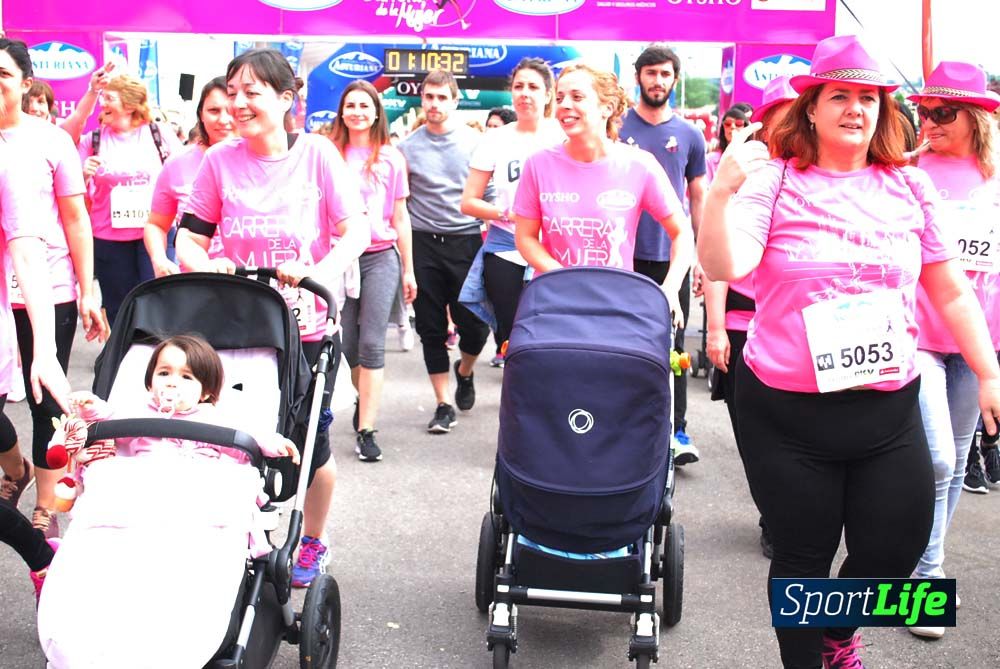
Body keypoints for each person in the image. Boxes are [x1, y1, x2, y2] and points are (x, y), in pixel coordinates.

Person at [698, 35, 1000, 668]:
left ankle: (837, 632)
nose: (856, 108)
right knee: (803, 557)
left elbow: (950, 294)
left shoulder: (910, 188)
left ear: (884, 111)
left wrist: (988, 371)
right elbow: (731, 262)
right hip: (786, 410)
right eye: (840, 96)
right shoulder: (774, 181)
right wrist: (720, 195)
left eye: (868, 97)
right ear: (812, 107)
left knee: (898, 551)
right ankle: (814, 659)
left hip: (887, 405)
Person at [175, 48, 369, 588]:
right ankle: (236, 529)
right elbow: (189, 236)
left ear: (286, 99)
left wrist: (317, 270)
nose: (237, 103)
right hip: (236, 326)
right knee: (232, 434)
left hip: (305, 326)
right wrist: (209, 266)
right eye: (231, 92)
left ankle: (312, 539)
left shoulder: (319, 156)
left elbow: (355, 230)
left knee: (310, 441)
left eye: (251, 92)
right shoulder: (218, 161)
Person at [904, 61, 1000, 639]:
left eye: (944, 113)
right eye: (925, 112)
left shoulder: (996, 179)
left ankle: (922, 569)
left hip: (982, 340)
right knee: (937, 458)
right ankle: (930, 573)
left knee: (958, 458)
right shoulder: (909, 172)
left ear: (979, 118)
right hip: (916, 335)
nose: (931, 122)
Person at [0, 39, 105, 540]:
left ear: (25, 82)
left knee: (44, 401)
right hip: (3, 300)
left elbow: (75, 219)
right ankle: (15, 467)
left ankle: (45, 504)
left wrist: (88, 288)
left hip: (50, 285)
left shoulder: (51, 140)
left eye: (2, 73)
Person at [703, 75, 798, 561]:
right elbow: (716, 257)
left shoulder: (825, 172)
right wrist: (715, 328)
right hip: (743, 326)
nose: (791, 122)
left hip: (804, 336)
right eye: (780, 112)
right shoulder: (742, 171)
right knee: (758, 440)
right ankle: (776, 516)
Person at [513, 63, 693, 315]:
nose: (564, 105)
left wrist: (671, 287)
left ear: (606, 108)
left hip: (616, 306)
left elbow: (682, 232)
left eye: (577, 97)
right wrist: (561, 275)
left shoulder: (639, 164)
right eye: (560, 97)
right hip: (555, 303)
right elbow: (525, 237)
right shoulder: (538, 164)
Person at [619, 44, 707, 465]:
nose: (657, 81)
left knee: (674, 348)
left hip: (672, 257)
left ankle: (678, 432)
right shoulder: (615, 128)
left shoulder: (691, 134)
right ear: (638, 77)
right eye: (650, 73)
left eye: (665, 74)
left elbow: (698, 198)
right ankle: (623, 427)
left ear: (675, 80)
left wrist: (701, 257)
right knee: (621, 345)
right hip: (622, 257)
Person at [398, 69, 491, 434]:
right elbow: (400, 203)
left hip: (466, 240)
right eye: (429, 97)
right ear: (422, 100)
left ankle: (465, 370)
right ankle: (442, 403)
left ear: (455, 101)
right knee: (431, 328)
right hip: (424, 243)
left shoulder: (475, 143)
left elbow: (491, 193)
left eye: (442, 97)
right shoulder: (407, 147)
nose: (434, 104)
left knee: (476, 325)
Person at [328, 80, 416, 462]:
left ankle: (367, 428)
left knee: (371, 343)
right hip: (339, 257)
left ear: (377, 111)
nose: (358, 112)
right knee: (346, 346)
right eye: (351, 105)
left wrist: (408, 270)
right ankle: (364, 398)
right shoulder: (327, 154)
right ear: (342, 112)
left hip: (381, 255)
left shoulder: (391, 157)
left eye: (365, 105)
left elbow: (400, 215)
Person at [460, 58, 563, 371]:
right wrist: (505, 212)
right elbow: (469, 202)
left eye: (534, 87)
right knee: (513, 335)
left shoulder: (563, 137)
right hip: (506, 245)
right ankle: (518, 404)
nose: (525, 94)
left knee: (551, 334)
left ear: (548, 94)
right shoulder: (496, 139)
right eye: (519, 87)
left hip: (555, 247)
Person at [68, 335, 299, 464]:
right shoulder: (140, 412)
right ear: (150, 382)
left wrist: (273, 444)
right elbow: (111, 421)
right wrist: (91, 407)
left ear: (205, 392)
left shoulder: (215, 419)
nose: (172, 382)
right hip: (142, 488)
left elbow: (245, 444)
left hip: (196, 493)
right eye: (164, 373)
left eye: (186, 377)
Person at [79, 73, 182, 327]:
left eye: (109, 97)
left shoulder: (160, 135)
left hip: (156, 233)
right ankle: (123, 359)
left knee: (158, 300)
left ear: (130, 103)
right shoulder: (91, 141)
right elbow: (72, 193)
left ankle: (158, 359)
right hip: (108, 238)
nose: (103, 103)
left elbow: (182, 176)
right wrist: (83, 174)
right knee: (119, 307)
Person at [144, 76, 234, 277]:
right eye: (214, 111)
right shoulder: (177, 164)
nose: (224, 120)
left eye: (230, 111)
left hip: (252, 281)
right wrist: (159, 260)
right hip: (197, 281)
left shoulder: (261, 160)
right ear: (200, 114)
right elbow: (156, 224)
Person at [23, 62, 114, 144]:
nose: (34, 108)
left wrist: (94, 89)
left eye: (40, 102)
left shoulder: (60, 130)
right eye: (28, 102)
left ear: (49, 106)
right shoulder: (10, 131)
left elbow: (80, 116)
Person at [706, 106, 750, 182]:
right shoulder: (710, 159)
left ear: (745, 128)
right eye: (728, 124)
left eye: (738, 124)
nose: (733, 127)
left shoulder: (754, 159)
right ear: (723, 129)